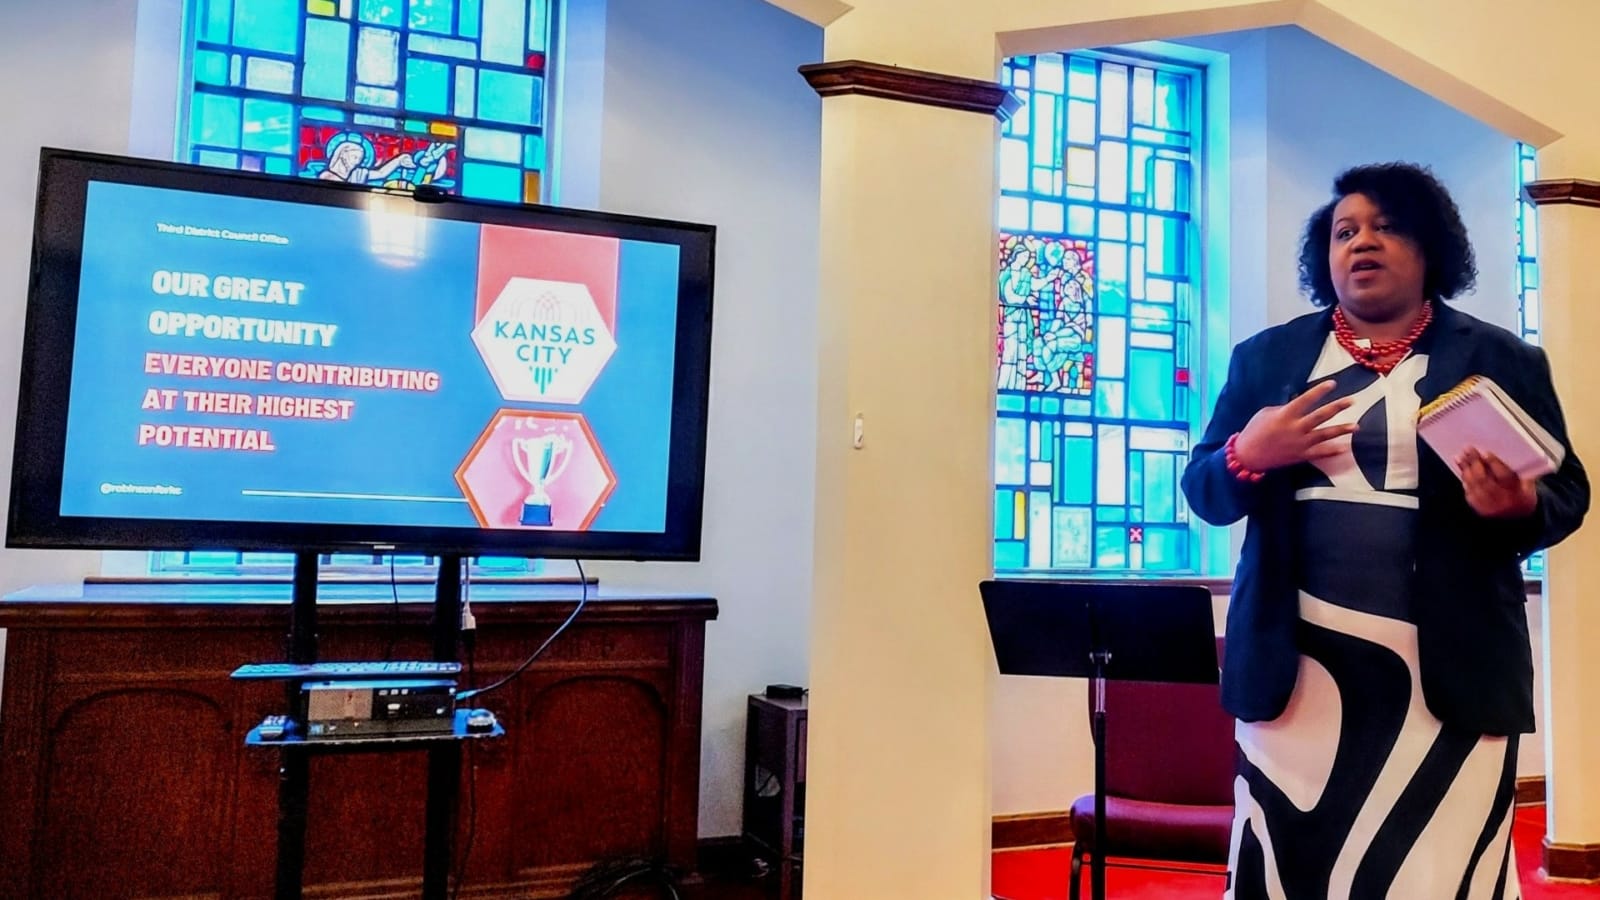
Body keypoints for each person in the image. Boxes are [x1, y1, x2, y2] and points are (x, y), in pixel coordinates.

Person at [1182, 162, 1589, 899]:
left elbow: (1567, 494)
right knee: (1292, 865)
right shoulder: (1269, 359)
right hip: (1297, 672)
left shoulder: (1501, 359)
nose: (1361, 242)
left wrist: (1516, 506)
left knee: (1435, 868)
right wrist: (1251, 452)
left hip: (1452, 670)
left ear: (1429, 247)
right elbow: (1206, 493)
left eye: (1386, 226)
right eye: (1344, 231)